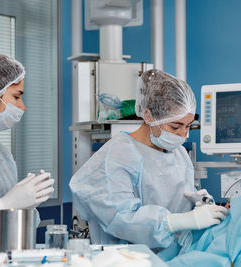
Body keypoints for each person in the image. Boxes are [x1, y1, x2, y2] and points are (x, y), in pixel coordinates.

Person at [70, 69, 228, 252]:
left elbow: (178, 195)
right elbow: (120, 218)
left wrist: (199, 203)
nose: (184, 135)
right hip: (130, 260)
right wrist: (183, 221)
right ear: (148, 116)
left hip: (176, 257)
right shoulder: (118, 156)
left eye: (188, 126)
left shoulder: (178, 153)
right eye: (176, 126)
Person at [0, 52, 55, 242]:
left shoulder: (2, 154)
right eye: (16, 97)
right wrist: (3, 207)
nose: (22, 106)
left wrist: (26, 206)